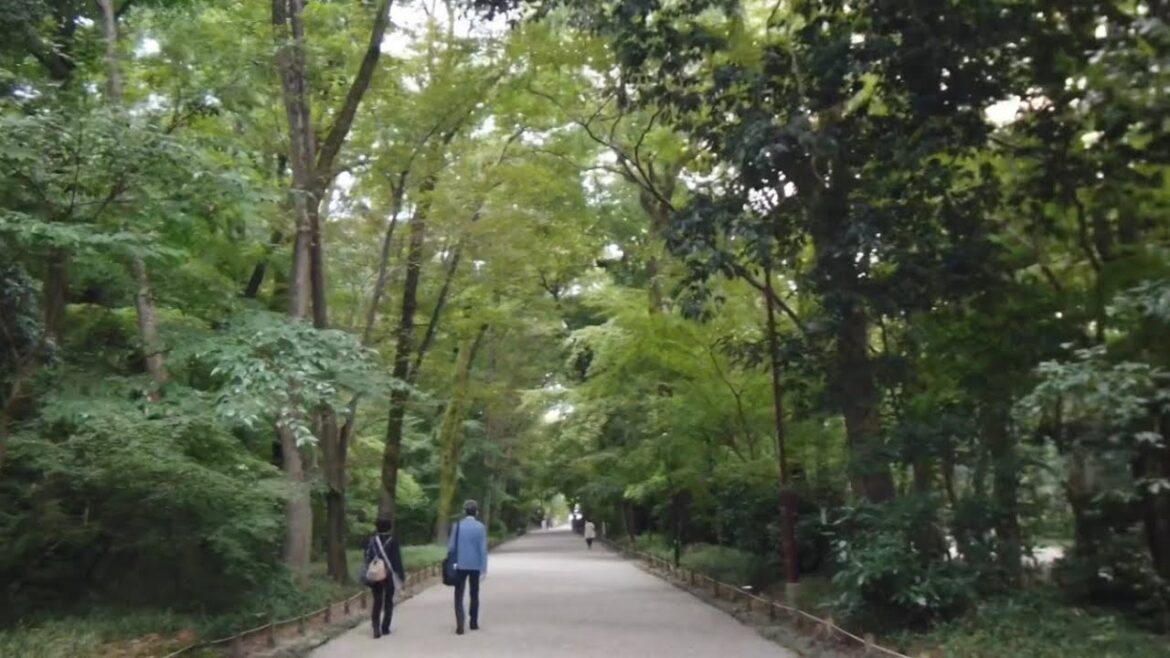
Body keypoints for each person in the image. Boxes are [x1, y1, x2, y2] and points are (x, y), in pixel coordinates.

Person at [448, 499, 489, 635]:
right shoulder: (480, 527)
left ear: (464, 512)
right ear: (476, 512)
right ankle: (473, 622)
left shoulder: (457, 526)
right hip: (475, 565)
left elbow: (451, 547)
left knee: (458, 594)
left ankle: (460, 624)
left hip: (459, 564)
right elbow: (483, 549)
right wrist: (483, 568)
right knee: (474, 593)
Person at [363, 518, 406, 639]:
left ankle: (375, 627)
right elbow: (397, 560)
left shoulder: (371, 540)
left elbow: (367, 556)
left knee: (377, 600)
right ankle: (385, 627)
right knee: (388, 601)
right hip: (389, 574)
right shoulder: (393, 540)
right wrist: (401, 576)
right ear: (389, 527)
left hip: (375, 574)